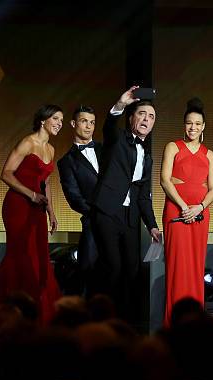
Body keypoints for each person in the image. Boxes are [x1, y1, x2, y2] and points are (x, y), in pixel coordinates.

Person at [0, 105, 63, 323]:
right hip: (18, 205)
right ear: (42, 121)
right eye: (55, 119)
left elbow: (45, 183)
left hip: (37, 209)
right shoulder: (28, 143)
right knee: (19, 256)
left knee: (39, 256)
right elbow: (6, 173)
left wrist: (51, 212)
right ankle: (3, 308)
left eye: (61, 120)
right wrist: (31, 195)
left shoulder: (51, 149)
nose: (59, 123)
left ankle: (35, 309)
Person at [91, 86, 161, 321]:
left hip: (130, 217)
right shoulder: (118, 139)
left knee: (132, 269)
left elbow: (143, 195)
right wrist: (120, 104)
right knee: (113, 266)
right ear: (131, 118)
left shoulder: (147, 157)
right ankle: (102, 319)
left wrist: (152, 225)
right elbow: (109, 126)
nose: (146, 119)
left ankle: (124, 321)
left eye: (151, 117)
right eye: (142, 114)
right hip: (107, 211)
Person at [160, 98, 213, 325]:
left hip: (200, 216)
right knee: (177, 267)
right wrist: (185, 207)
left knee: (195, 268)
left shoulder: (209, 154)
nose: (193, 127)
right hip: (177, 212)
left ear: (203, 126)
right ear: (184, 125)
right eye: (189, 123)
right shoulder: (172, 147)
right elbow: (165, 180)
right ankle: (174, 323)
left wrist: (200, 207)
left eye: (197, 124)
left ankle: (195, 323)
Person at [57, 105, 101, 296]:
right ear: (73, 124)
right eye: (84, 121)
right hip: (93, 221)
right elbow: (74, 197)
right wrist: (97, 212)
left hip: (118, 221)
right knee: (89, 271)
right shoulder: (66, 161)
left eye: (92, 122)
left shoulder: (106, 150)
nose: (89, 126)